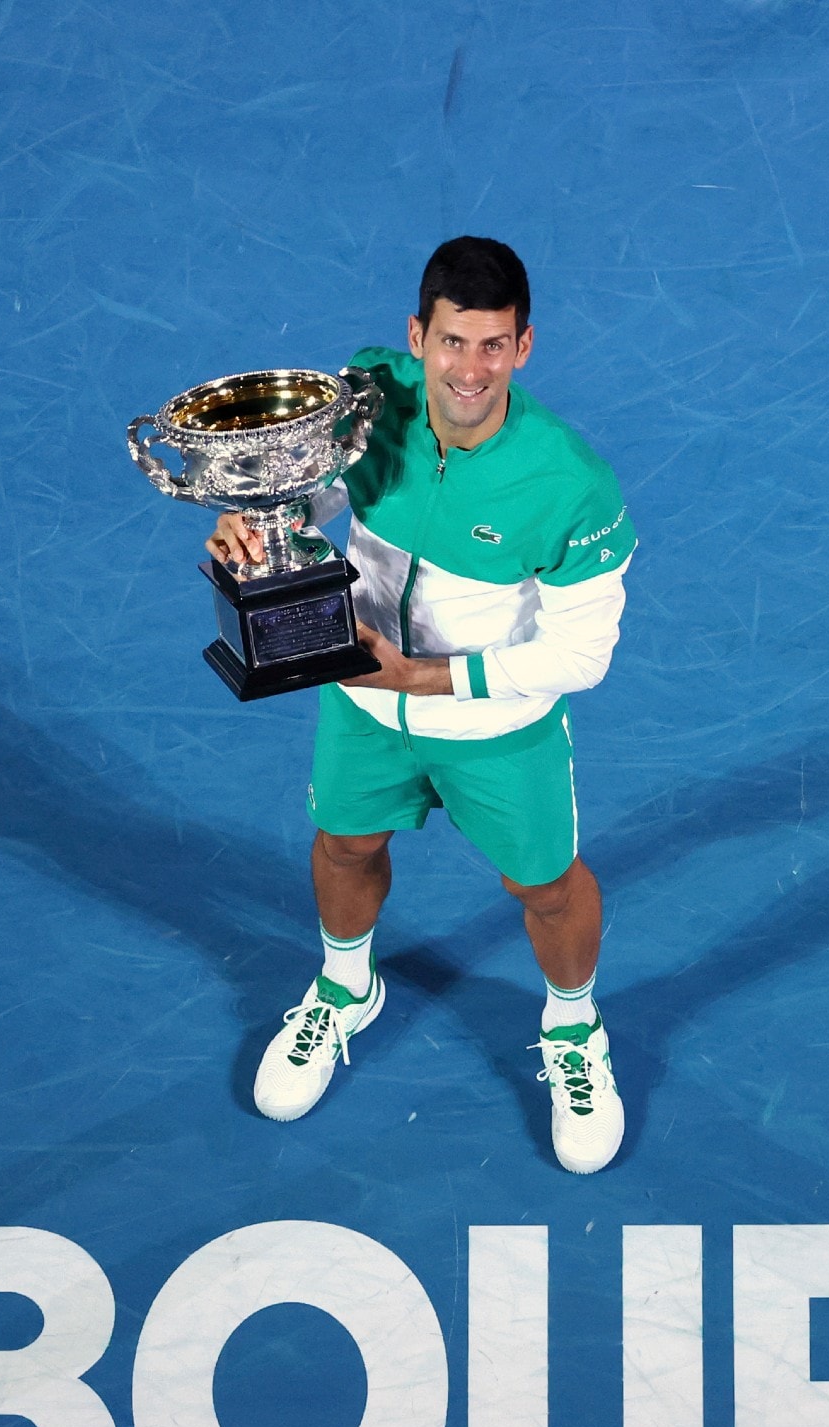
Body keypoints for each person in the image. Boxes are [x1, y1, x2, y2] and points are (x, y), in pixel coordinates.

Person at [207, 236, 636, 1174]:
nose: (468, 370)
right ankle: (345, 985)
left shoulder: (571, 484)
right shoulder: (368, 394)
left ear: (524, 347)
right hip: (363, 704)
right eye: (450, 343)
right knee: (345, 846)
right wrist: (260, 514)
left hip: (495, 728)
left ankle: (573, 1031)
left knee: (545, 888)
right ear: (417, 335)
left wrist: (429, 679)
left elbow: (581, 653)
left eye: (492, 346)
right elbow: (317, 492)